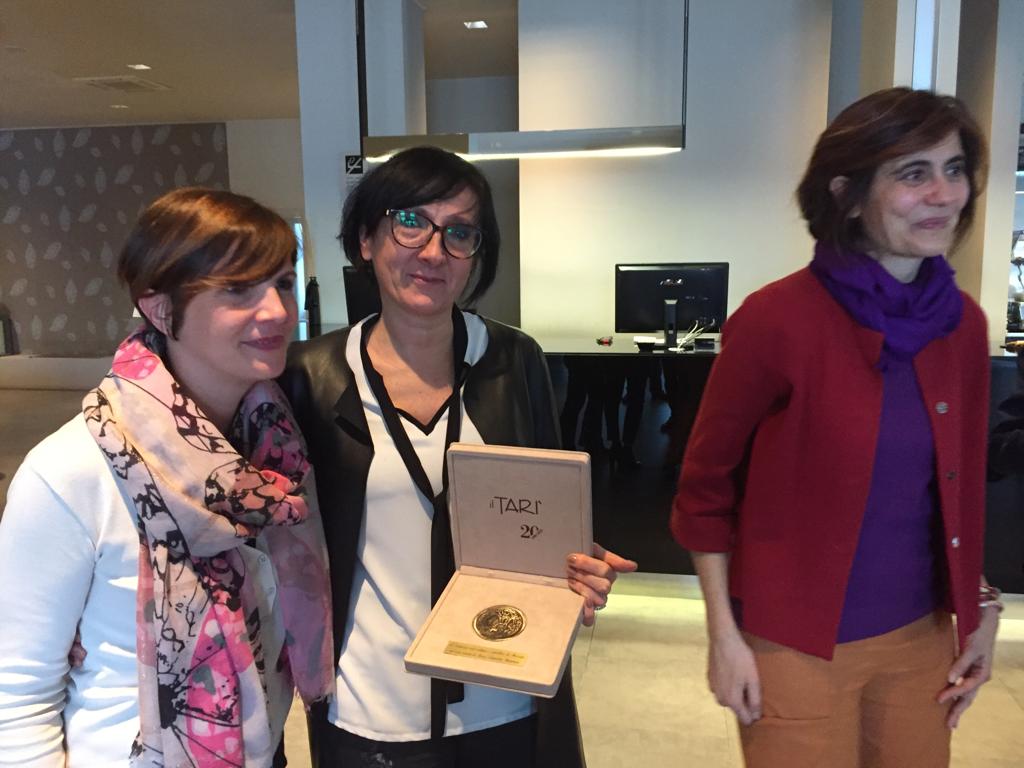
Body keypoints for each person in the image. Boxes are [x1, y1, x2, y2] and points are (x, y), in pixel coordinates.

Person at [670, 87, 1000, 767]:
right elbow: (704, 491)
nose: (943, 194)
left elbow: (957, 488)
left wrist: (980, 608)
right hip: (793, 645)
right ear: (847, 195)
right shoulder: (776, 320)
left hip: (922, 640)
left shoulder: (963, 326)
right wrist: (723, 637)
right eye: (912, 173)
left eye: (954, 169)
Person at [280, 146, 637, 768]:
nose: (433, 251)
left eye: (460, 232)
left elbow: (546, 512)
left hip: (507, 694)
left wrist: (577, 566)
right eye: (410, 222)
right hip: (373, 704)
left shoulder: (514, 360)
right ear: (365, 239)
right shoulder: (310, 376)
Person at [0, 188, 333, 767]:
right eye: (238, 289)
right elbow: (17, 694)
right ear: (159, 309)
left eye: (282, 282)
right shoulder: (76, 470)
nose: (279, 311)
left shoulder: (276, 451)